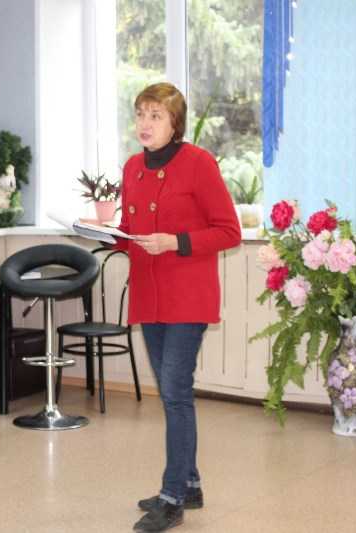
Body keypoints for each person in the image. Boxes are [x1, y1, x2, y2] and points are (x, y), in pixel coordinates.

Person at [113, 82, 241, 532]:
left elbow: (229, 232)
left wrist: (176, 242)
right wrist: (103, 230)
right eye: (141, 114)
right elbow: (130, 232)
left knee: (174, 392)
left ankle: (172, 499)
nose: (145, 124)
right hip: (149, 298)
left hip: (187, 296)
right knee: (171, 393)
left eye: (156, 116)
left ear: (175, 123)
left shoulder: (199, 163)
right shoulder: (132, 168)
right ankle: (190, 484)